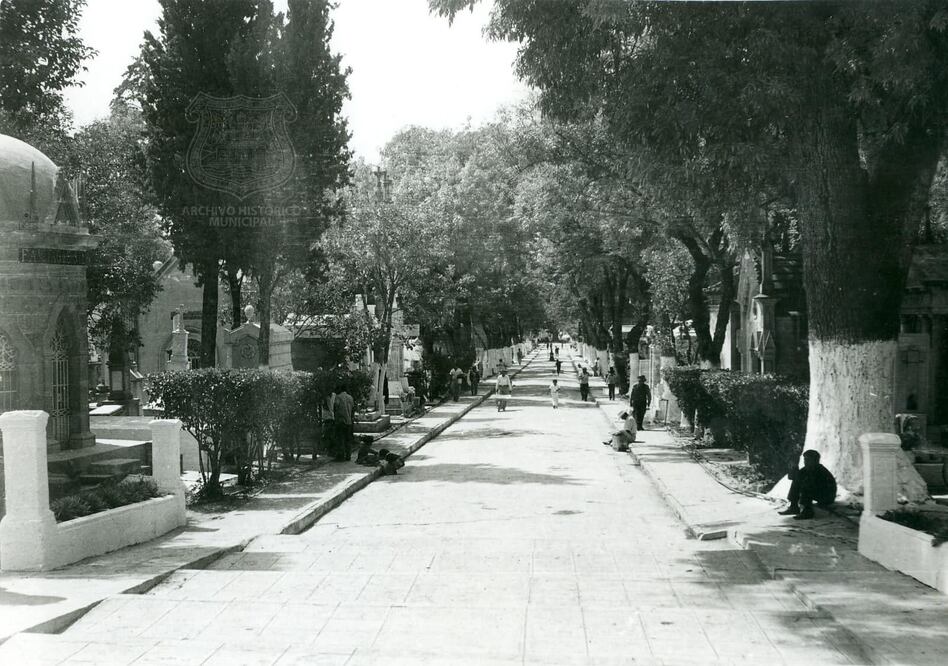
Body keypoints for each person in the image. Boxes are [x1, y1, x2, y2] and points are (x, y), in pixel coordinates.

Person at [779, 450, 837, 520]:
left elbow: (811, 485)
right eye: (805, 459)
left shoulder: (820, 471)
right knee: (797, 480)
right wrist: (793, 468)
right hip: (818, 492)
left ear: (815, 460)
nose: (805, 461)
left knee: (807, 485)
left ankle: (807, 512)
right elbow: (792, 478)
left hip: (827, 496)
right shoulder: (807, 469)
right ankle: (794, 507)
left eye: (808, 459)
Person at [332, 384, 355, 461]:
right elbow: (352, 408)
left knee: (340, 438)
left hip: (341, 421)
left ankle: (341, 456)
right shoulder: (350, 397)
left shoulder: (338, 397)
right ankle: (348, 455)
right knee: (347, 439)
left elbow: (336, 407)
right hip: (349, 421)